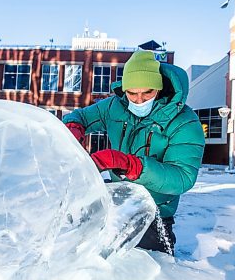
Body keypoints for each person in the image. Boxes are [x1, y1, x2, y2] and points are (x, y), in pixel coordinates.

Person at [63, 50, 205, 255]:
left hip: (154, 211)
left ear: (159, 88)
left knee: (148, 270)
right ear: (124, 89)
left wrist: (132, 166)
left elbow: (183, 177)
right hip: (115, 202)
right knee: (84, 253)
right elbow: (81, 116)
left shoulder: (185, 122)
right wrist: (74, 126)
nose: (138, 100)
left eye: (147, 92)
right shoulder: (115, 106)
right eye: (132, 93)